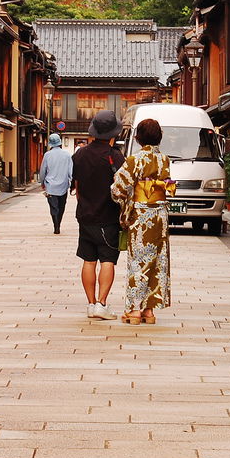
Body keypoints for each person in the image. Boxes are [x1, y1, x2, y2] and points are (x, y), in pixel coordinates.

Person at [110, 118, 175, 325]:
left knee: (138, 261)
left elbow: (119, 188)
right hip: (160, 215)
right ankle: (149, 311)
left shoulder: (134, 160)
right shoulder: (164, 159)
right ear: (160, 137)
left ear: (137, 138)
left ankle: (134, 311)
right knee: (157, 262)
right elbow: (166, 185)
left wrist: (122, 202)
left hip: (141, 215)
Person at [71, 110, 124, 321]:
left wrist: (83, 204)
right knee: (108, 260)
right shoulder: (116, 156)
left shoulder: (79, 155)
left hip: (85, 215)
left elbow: (77, 185)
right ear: (113, 134)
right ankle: (102, 303)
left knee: (88, 260)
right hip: (108, 216)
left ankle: (91, 303)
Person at [40, 133, 73, 234]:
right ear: (59, 142)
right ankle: (59, 223)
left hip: (50, 186)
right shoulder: (67, 155)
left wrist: (42, 182)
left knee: (53, 207)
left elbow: (43, 170)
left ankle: (56, 226)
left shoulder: (47, 155)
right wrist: (72, 184)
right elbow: (70, 171)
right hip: (63, 185)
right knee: (61, 206)